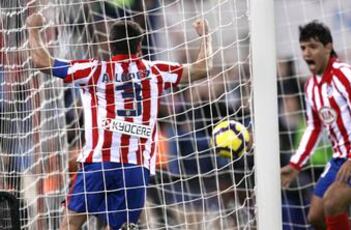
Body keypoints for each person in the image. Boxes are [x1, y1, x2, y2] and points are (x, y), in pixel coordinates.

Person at [26, 13, 212, 230]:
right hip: (135, 167)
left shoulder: (95, 70)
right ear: (139, 47)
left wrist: (33, 28)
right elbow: (202, 68)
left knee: (70, 225)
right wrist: (205, 36)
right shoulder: (155, 71)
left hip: (98, 163)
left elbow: (42, 62)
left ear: (110, 45)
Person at [280, 20, 351, 230]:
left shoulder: (345, 74)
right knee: (315, 215)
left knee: (332, 203)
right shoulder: (311, 86)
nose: (306, 53)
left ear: (328, 47)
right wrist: (295, 164)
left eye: (312, 47)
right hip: (340, 158)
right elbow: (314, 127)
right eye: (303, 48)